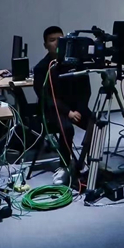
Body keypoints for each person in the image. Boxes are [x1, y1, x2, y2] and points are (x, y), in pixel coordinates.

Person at [33, 26, 93, 185]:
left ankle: (89, 161)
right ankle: (64, 165)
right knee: (66, 128)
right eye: (52, 40)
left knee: (95, 124)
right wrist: (68, 112)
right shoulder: (41, 68)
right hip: (54, 110)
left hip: (76, 108)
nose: (57, 43)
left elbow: (85, 90)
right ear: (45, 45)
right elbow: (46, 97)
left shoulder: (76, 63)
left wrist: (79, 109)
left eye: (60, 39)